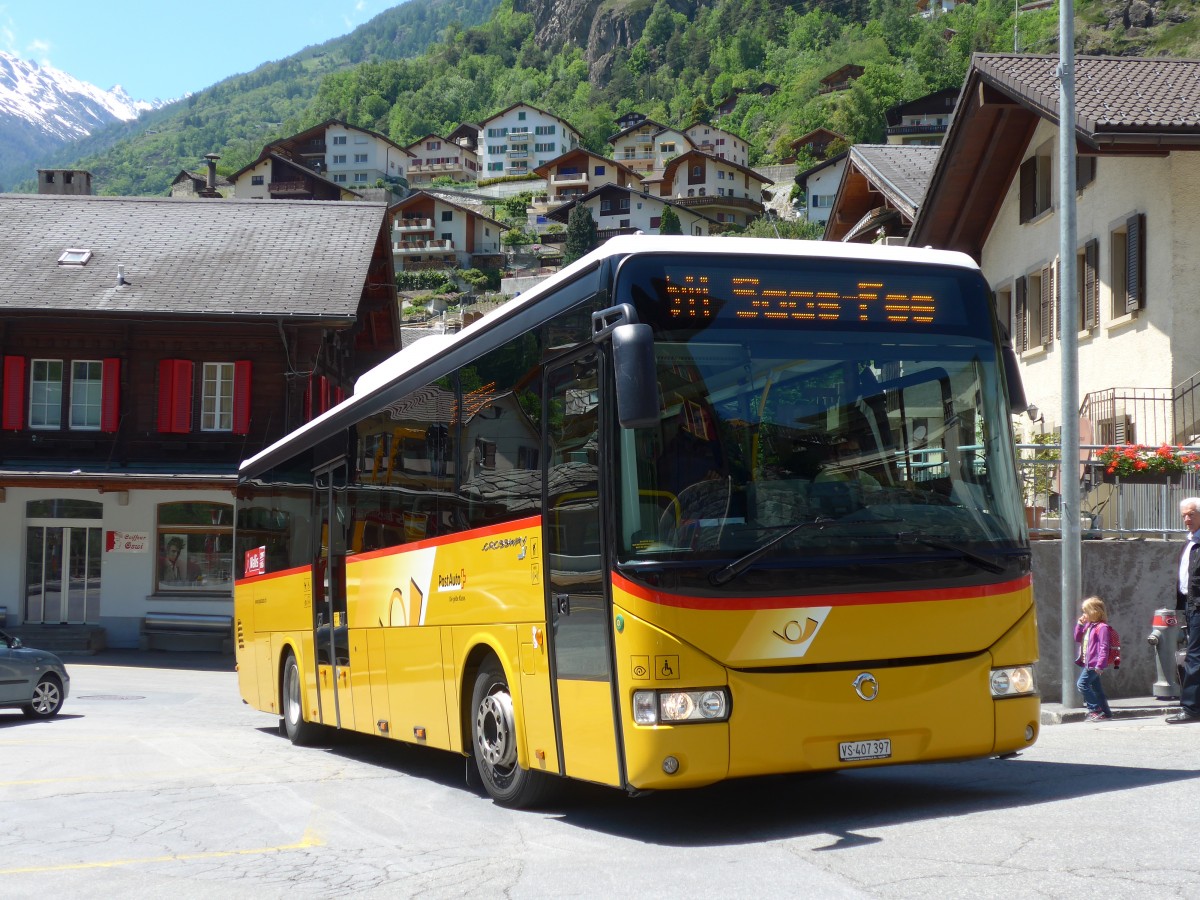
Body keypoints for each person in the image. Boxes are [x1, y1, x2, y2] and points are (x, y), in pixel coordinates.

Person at [1169, 497, 1200, 723]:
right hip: (1190, 606)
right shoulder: (1190, 542)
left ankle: (1190, 708)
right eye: (1184, 516)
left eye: (1191, 514)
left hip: (1198, 605)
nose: (1187, 519)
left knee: (1194, 658)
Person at [1073, 596, 1114, 721]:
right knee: (1097, 689)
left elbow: (1104, 647)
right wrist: (1080, 624)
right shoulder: (1090, 626)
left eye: (1086, 611)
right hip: (1088, 663)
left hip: (1094, 663)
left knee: (1082, 684)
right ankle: (1106, 713)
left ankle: (1095, 710)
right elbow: (1077, 638)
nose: (1084, 614)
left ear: (1095, 612)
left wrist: (1100, 664)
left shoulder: (1102, 628)